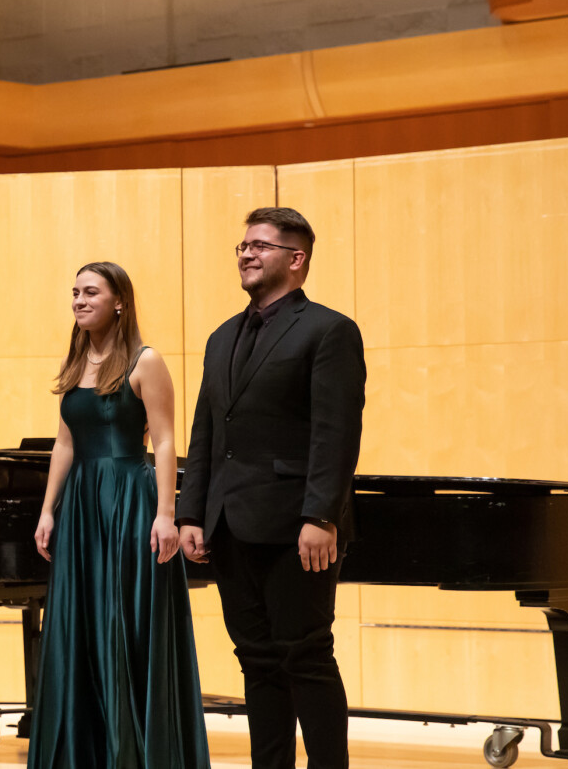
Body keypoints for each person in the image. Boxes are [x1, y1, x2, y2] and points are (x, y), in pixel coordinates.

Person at [177, 207, 365, 769]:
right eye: (242, 245)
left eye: (259, 245)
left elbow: (335, 434)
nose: (246, 253)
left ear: (296, 258)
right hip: (230, 522)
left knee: (305, 656)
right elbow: (207, 430)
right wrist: (192, 512)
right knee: (256, 660)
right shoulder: (221, 336)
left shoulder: (329, 330)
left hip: (295, 526)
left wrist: (321, 516)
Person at [28, 262, 211, 769]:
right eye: (75, 293)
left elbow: (168, 438)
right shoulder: (76, 361)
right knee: (82, 624)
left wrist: (166, 512)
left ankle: (129, 753)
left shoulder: (144, 360)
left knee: (120, 623)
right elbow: (65, 442)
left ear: (119, 302)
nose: (79, 300)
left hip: (129, 501)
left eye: (91, 292)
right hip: (82, 503)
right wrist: (48, 510)